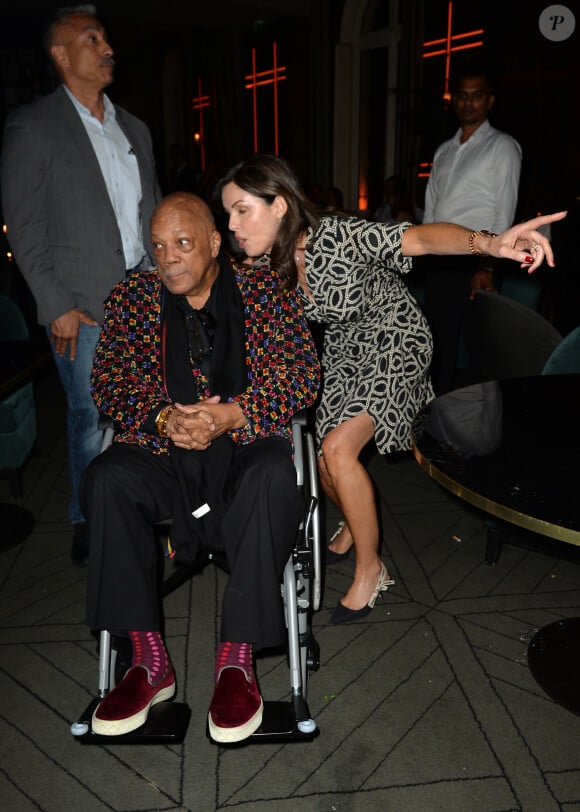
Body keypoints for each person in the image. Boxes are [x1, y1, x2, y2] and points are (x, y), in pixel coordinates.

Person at [217, 153, 565, 625]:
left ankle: (370, 568)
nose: (234, 224)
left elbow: (419, 237)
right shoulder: (266, 264)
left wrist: (490, 244)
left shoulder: (338, 234)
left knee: (339, 451)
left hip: (395, 338)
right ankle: (357, 525)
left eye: (242, 209)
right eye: (228, 214)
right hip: (344, 350)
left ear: (279, 205)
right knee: (321, 458)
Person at [80, 192, 320, 743]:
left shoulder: (264, 292)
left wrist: (234, 414)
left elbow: (302, 373)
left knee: (273, 474)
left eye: (183, 244)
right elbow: (110, 379)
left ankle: (236, 658)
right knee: (106, 478)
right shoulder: (133, 298)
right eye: (159, 248)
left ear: (215, 242)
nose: (169, 260)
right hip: (162, 451)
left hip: (243, 445)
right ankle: (147, 659)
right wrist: (164, 416)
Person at [0, 6, 161, 565]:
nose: (107, 45)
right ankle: (89, 517)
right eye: (93, 38)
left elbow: (154, 218)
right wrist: (55, 304)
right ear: (62, 55)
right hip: (82, 308)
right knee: (90, 415)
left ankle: (135, 502)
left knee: (147, 408)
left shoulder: (133, 129)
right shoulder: (34, 125)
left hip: (143, 299)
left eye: (107, 37)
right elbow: (25, 225)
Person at [422, 63, 522, 394]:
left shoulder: (502, 146)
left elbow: (503, 211)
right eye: (462, 95)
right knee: (437, 344)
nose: (468, 102)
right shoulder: (444, 150)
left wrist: (487, 265)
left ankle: (480, 431)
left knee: (481, 351)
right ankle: (434, 421)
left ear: (490, 100)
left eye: (477, 95)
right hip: (441, 258)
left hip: (479, 259)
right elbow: (432, 211)